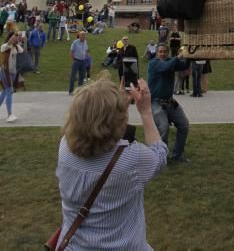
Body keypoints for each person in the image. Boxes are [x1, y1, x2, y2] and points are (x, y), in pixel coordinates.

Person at [56, 76, 167, 250]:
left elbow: (100, 133)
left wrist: (115, 107)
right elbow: (160, 155)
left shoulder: (64, 148)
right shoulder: (131, 159)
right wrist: (145, 112)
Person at [148, 43, 191, 162]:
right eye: (160, 52)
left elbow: (183, 66)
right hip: (155, 102)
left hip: (170, 102)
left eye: (165, 52)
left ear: (167, 52)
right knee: (164, 128)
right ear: (156, 53)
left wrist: (189, 56)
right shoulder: (154, 63)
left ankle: (177, 155)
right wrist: (177, 57)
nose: (162, 54)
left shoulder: (170, 61)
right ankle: (160, 158)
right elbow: (165, 67)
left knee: (184, 125)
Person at [0, 31, 23, 122]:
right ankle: (9, 114)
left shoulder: (17, 47)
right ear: (10, 37)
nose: (16, 38)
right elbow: (6, 45)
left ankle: (10, 114)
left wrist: (22, 39)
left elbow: (23, 51)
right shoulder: (4, 46)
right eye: (14, 37)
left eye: (16, 37)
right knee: (9, 90)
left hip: (13, 72)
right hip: (5, 72)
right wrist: (12, 38)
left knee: (5, 92)